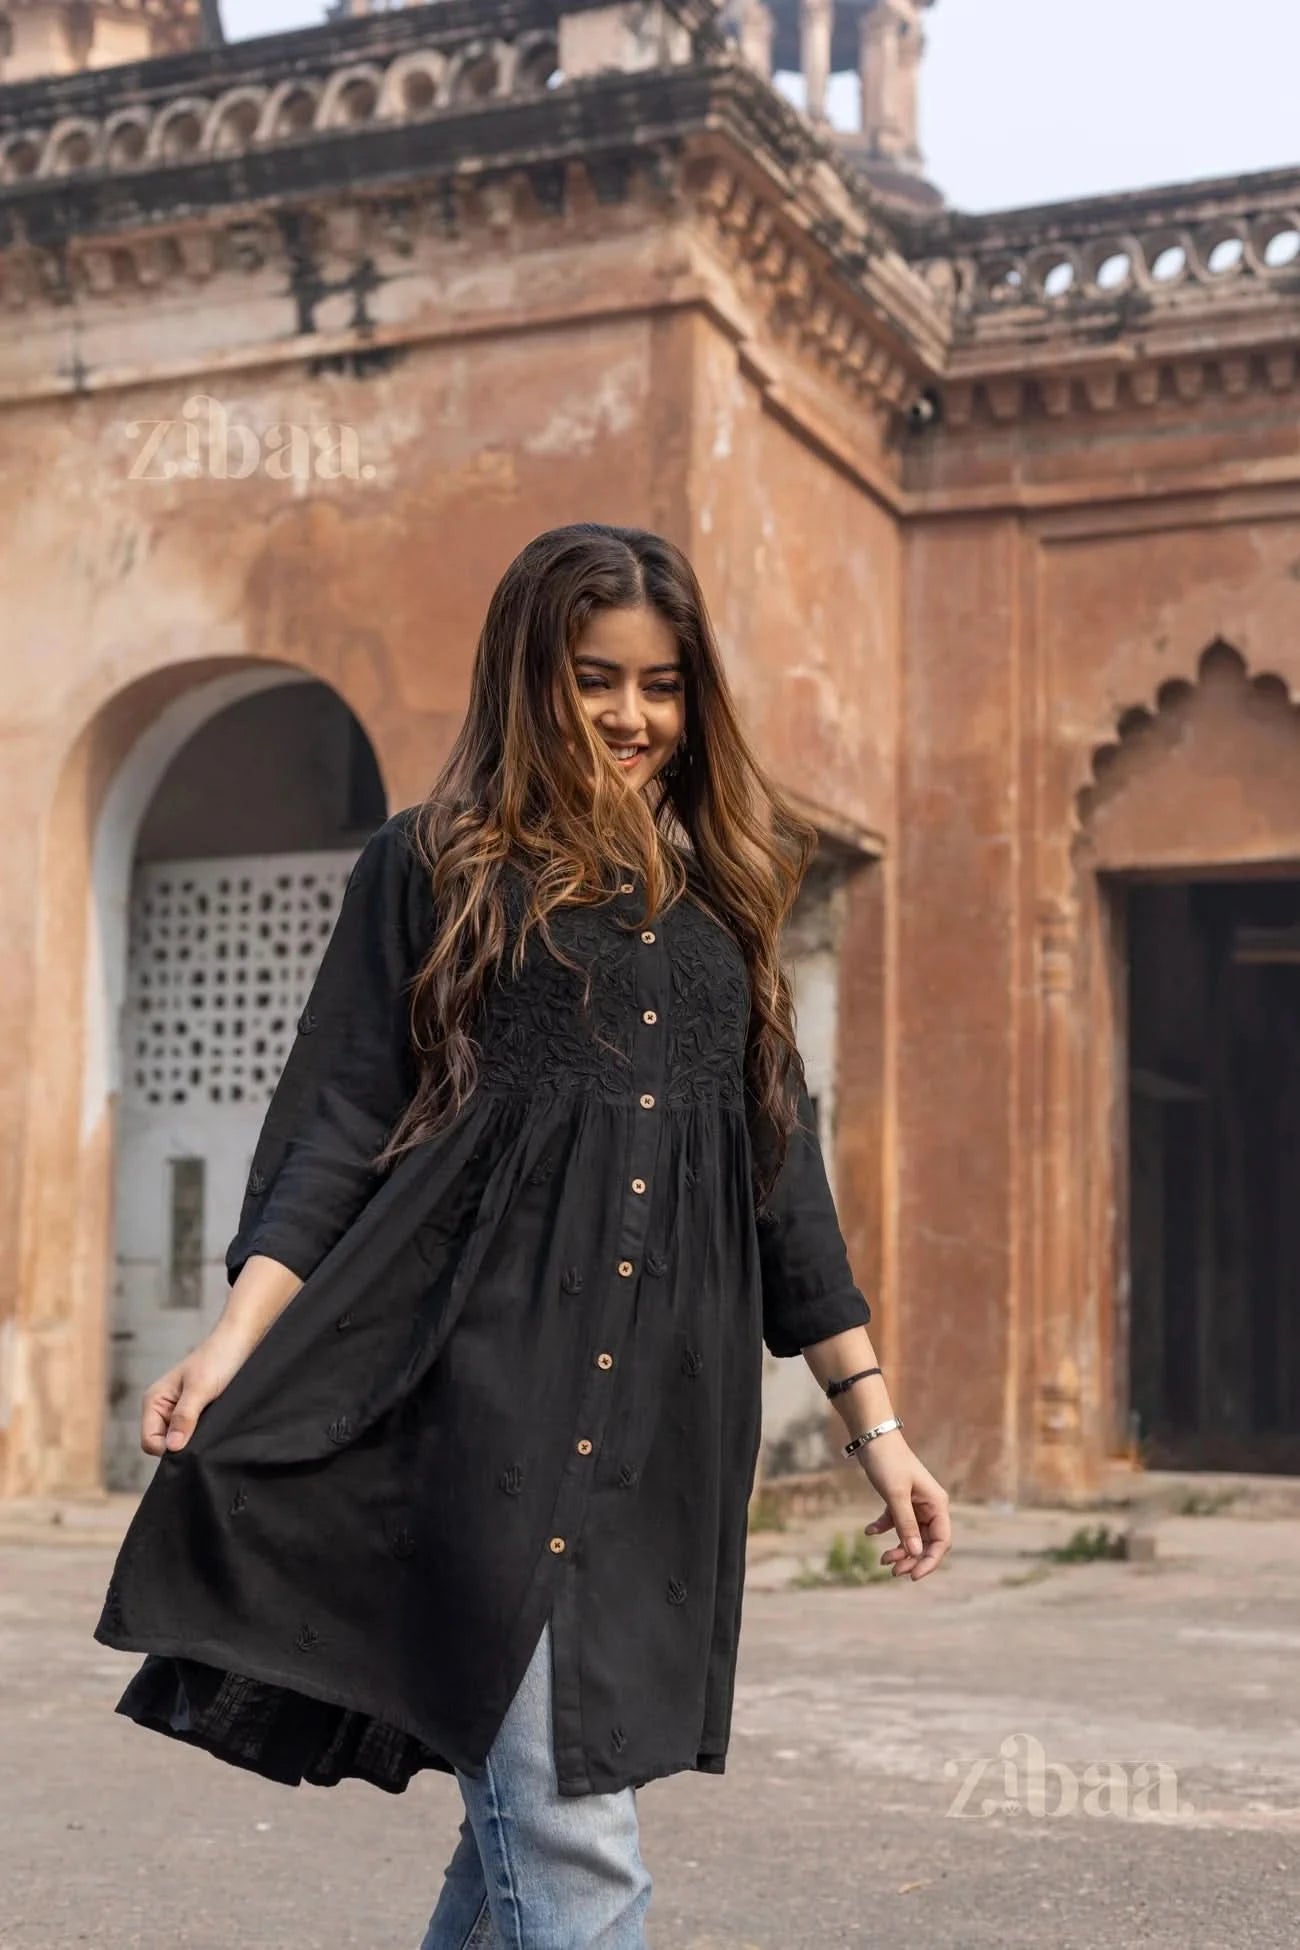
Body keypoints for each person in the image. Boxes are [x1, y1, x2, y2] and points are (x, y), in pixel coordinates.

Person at [94, 521, 952, 1949]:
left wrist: (879, 1426)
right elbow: (338, 1125)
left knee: (529, 1831)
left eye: (663, 683)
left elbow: (782, 1184)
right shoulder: (430, 869)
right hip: (476, 1400)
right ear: (527, 678)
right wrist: (232, 1338)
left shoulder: (724, 911)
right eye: (594, 676)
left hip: (660, 1423)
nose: (632, 715)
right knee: (569, 1831)